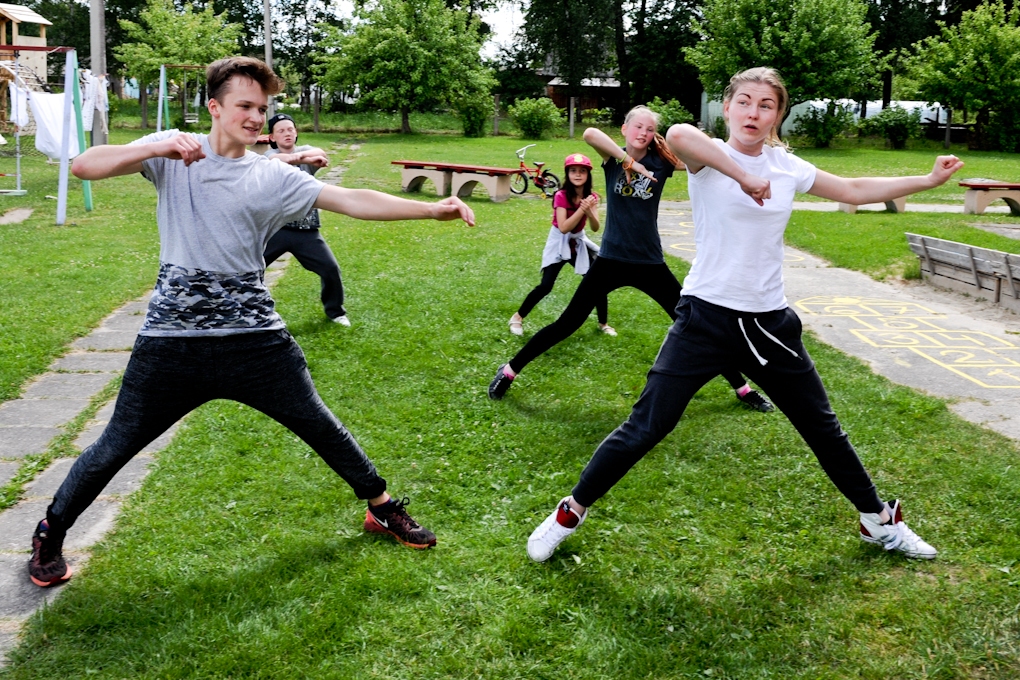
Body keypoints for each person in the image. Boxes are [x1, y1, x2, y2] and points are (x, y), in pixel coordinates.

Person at [27, 57, 475, 588]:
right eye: (245, 106)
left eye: (262, 108)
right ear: (214, 108)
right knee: (115, 445)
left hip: (256, 342)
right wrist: (153, 146)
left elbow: (351, 200)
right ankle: (49, 535)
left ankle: (380, 507)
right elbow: (84, 165)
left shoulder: (271, 175)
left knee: (320, 425)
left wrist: (429, 210)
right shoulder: (173, 153)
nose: (256, 117)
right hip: (173, 343)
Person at [526, 66, 963, 563]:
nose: (754, 113)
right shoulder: (708, 158)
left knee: (822, 427)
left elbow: (854, 187)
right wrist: (744, 176)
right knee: (647, 425)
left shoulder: (788, 167)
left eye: (767, 105)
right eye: (745, 101)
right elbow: (681, 134)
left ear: (778, 115)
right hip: (704, 319)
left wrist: (928, 180)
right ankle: (569, 512)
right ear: (728, 106)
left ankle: (877, 521)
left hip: (768, 323)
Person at [489, 106, 773, 413]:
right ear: (624, 129)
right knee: (568, 322)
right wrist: (628, 161)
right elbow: (590, 134)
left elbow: (702, 152)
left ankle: (743, 389)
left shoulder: (662, 162)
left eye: (650, 129)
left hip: (650, 262)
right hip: (611, 260)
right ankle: (508, 371)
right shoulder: (613, 159)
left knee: (692, 323)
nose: (643, 133)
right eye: (637, 126)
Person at [508, 153, 616, 338]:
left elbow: (596, 227)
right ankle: (517, 317)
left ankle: (603, 323)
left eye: (582, 171)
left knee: (597, 282)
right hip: (559, 241)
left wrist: (590, 211)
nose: (578, 174)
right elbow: (564, 228)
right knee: (546, 286)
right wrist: (582, 209)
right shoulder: (561, 195)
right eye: (573, 170)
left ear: (588, 175)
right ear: (567, 173)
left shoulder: (592, 197)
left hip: (579, 241)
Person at [262, 113, 351, 326]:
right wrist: (301, 159)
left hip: (307, 232)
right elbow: (274, 161)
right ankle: (246, 311)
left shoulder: (306, 152)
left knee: (330, 269)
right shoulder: (268, 156)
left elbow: (320, 152)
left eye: (290, 129)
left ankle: (335, 311)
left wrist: (307, 158)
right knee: (250, 269)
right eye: (281, 130)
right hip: (276, 230)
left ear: (296, 133)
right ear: (272, 137)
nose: (287, 134)